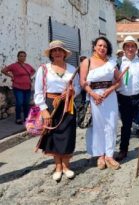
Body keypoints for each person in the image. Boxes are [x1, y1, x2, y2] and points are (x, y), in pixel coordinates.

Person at [34, 40, 81, 181]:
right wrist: (44, 110)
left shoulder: (72, 69)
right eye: (54, 51)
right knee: (53, 135)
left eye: (60, 50)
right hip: (50, 104)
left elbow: (78, 87)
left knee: (67, 134)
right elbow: (38, 91)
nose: (57, 53)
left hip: (68, 105)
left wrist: (73, 91)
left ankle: (66, 166)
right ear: (51, 54)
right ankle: (58, 166)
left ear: (65, 53)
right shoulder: (43, 69)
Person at [80, 36, 121, 170]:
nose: (102, 48)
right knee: (97, 126)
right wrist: (93, 94)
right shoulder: (87, 62)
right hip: (94, 97)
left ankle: (110, 155)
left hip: (109, 97)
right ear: (94, 47)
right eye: (100, 45)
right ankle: (100, 155)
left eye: (105, 46)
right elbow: (82, 82)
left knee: (111, 124)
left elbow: (119, 81)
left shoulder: (111, 63)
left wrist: (110, 90)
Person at [2, 51, 35, 124]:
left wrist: (29, 76)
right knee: (19, 103)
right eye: (21, 56)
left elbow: (33, 71)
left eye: (24, 56)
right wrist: (11, 76)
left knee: (26, 104)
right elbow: (3, 70)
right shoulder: (14, 65)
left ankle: (27, 118)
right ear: (18, 57)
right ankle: (18, 118)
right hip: (18, 87)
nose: (23, 57)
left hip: (28, 87)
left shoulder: (28, 65)